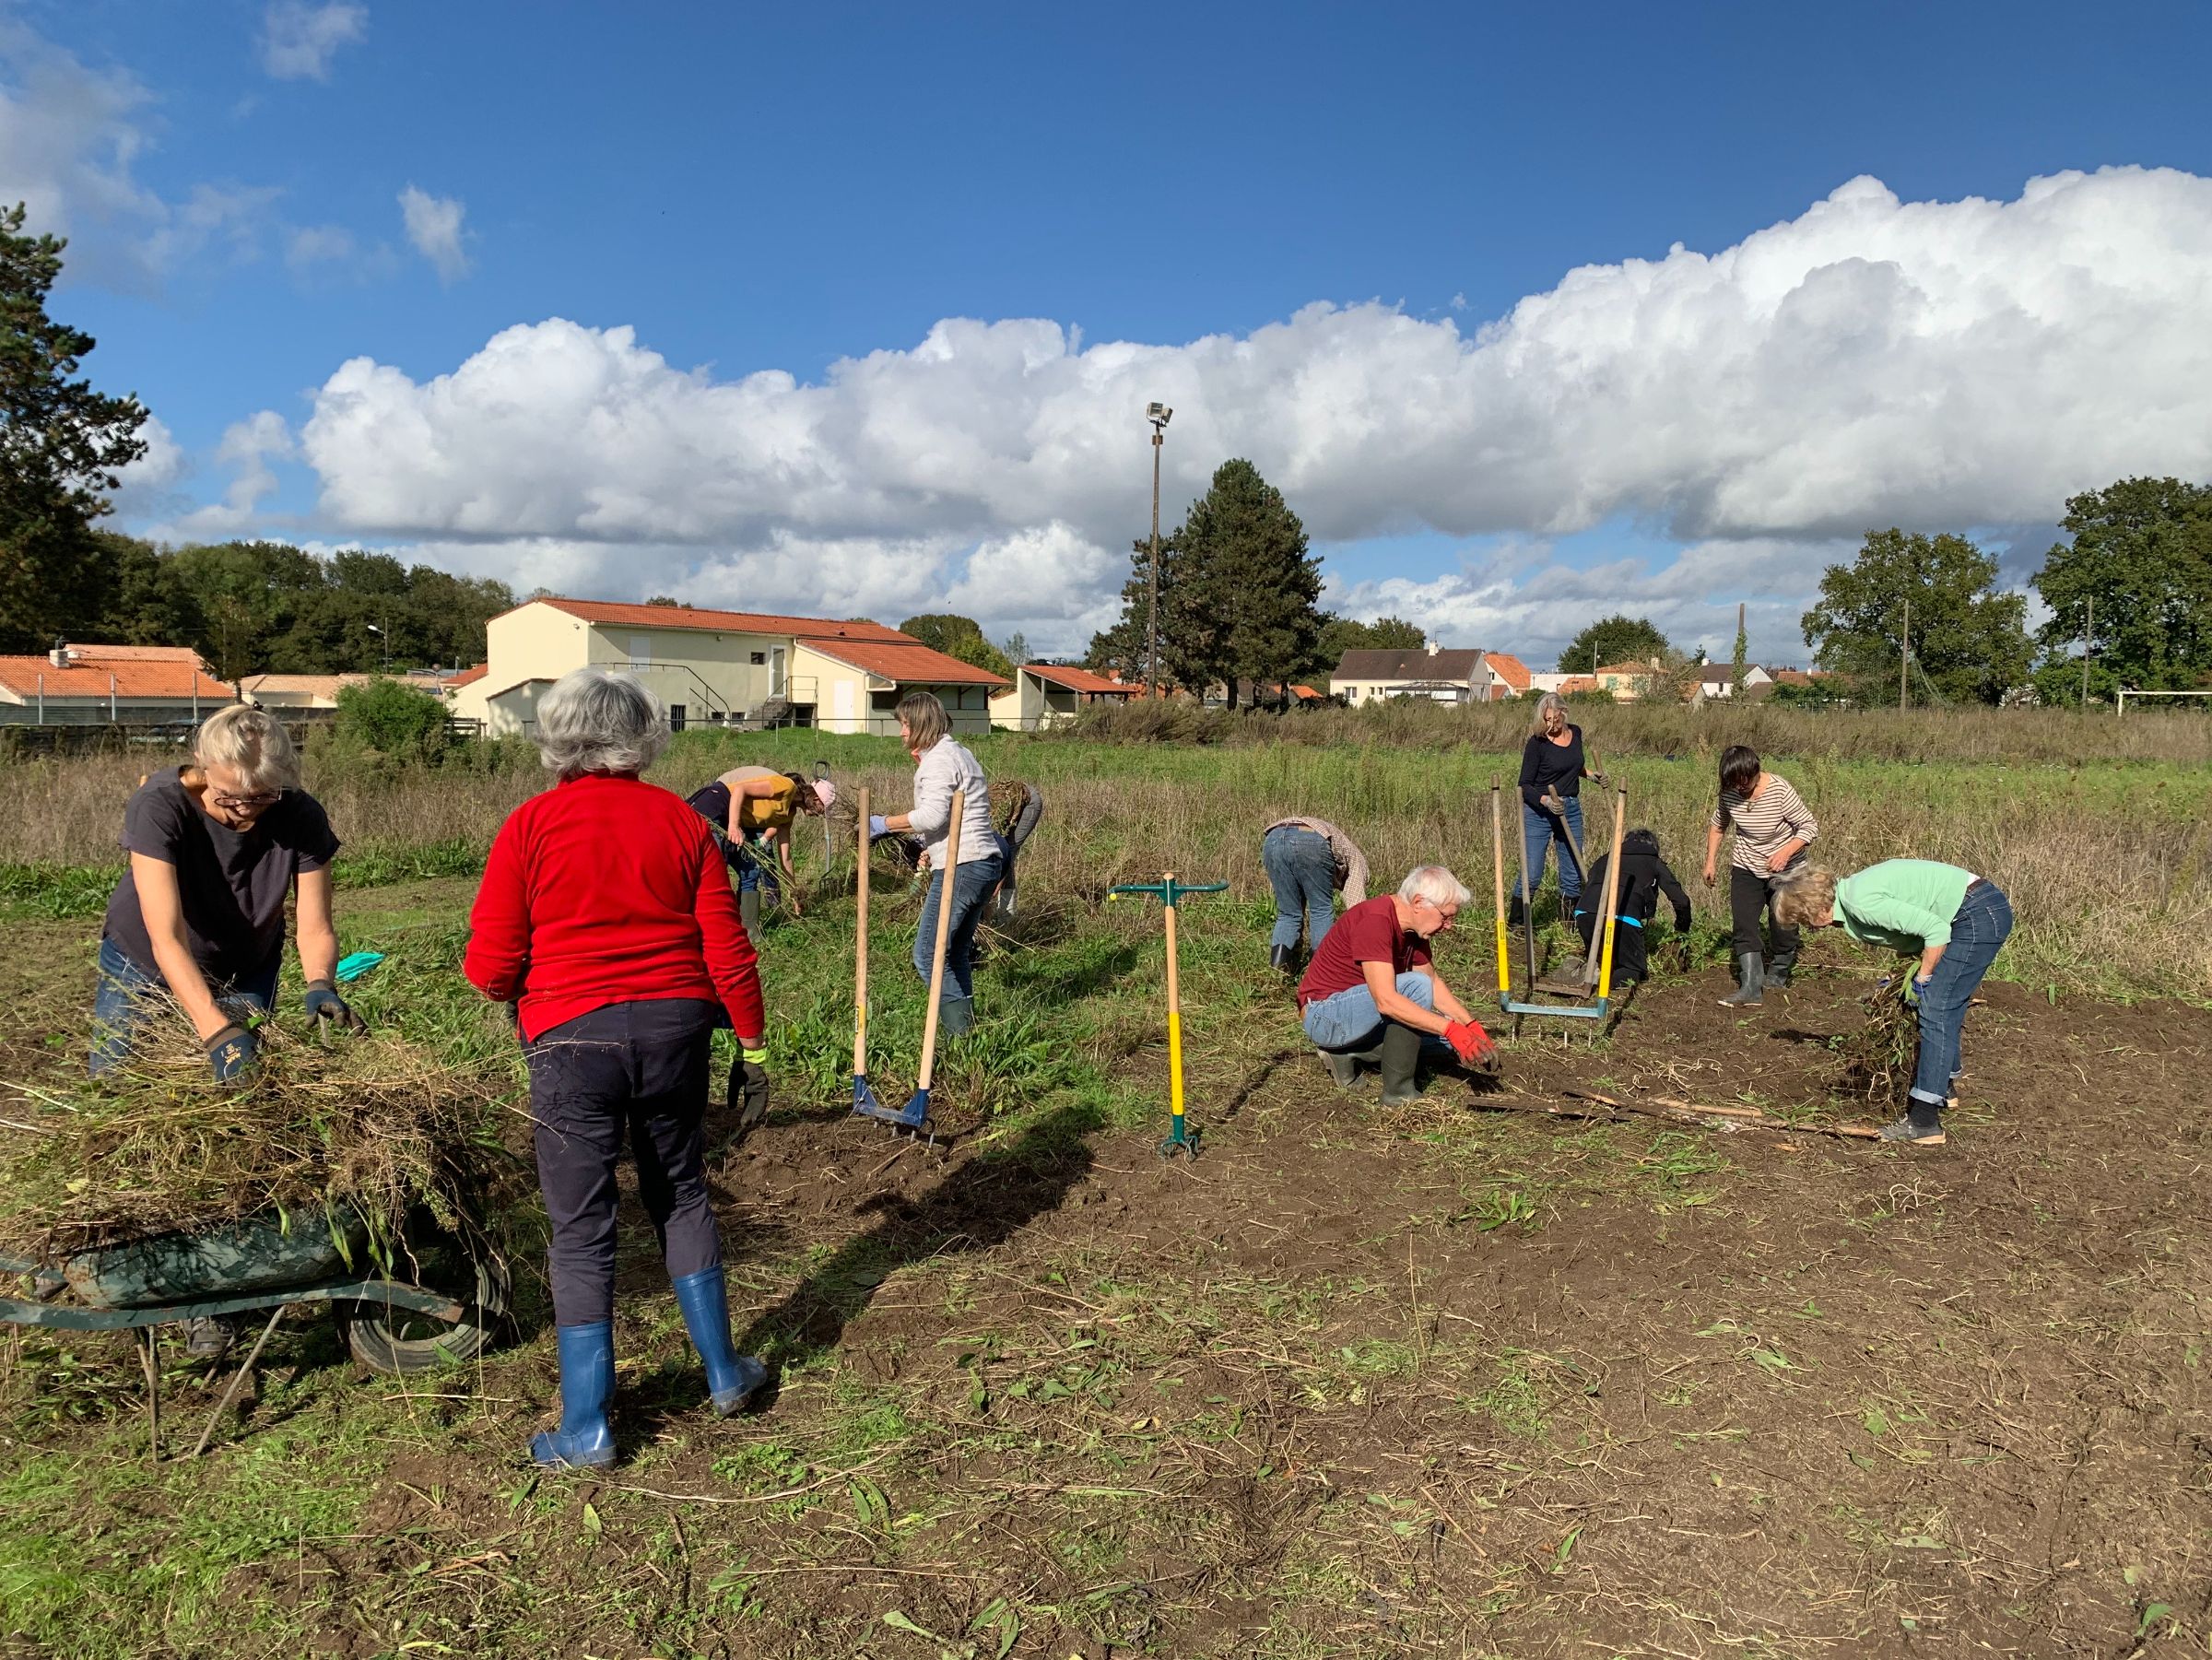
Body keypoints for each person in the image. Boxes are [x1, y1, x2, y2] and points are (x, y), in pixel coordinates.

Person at [465, 667, 772, 1468]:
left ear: (556, 738)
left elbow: (492, 965)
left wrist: (521, 983)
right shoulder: (681, 822)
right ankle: (725, 1371)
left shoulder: (530, 825)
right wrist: (754, 1046)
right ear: (643, 736)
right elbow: (728, 948)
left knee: (581, 1226)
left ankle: (589, 1424)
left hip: (572, 1040)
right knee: (681, 1191)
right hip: (678, 1030)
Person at [91, 705, 364, 1358]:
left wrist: (321, 983)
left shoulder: (298, 814)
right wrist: (215, 1032)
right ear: (201, 768)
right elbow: (165, 935)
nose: (246, 812)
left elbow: (314, 923)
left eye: (262, 797)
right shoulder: (160, 806)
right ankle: (130, 1254)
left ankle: (218, 1290)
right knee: (127, 1108)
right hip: (149, 964)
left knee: (234, 1117)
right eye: (231, 798)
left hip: (246, 961)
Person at [1772, 862, 2013, 1147]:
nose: (1809, 928)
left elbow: (1935, 931)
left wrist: (1922, 979)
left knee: (1936, 1008)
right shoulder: (1853, 902)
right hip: (1975, 910)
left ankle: (1924, 1122)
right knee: (1946, 1004)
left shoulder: (1860, 901)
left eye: (1802, 920)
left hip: (1976, 913)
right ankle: (1944, 1088)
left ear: (1811, 907)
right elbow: (1916, 933)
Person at [1296, 866, 1497, 1104]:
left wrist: (1471, 1026)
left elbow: (1433, 981)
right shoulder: (1376, 920)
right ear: (1419, 902)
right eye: (1446, 917)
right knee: (1417, 989)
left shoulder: (1414, 931)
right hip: (1325, 1016)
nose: (1449, 925)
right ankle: (1397, 1094)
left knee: (1446, 1044)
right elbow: (1387, 1000)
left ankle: (1346, 1054)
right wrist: (1451, 1028)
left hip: (1357, 1017)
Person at [866, 692, 1002, 1037]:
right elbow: (948, 817)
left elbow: (932, 815)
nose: (900, 732)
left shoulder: (940, 760)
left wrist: (883, 823)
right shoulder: (958, 752)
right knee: (955, 953)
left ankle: (960, 1036)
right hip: (981, 862)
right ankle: (968, 1036)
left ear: (921, 726)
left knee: (927, 954)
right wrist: (929, 847)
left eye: (905, 725)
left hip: (964, 865)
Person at [1702, 745, 1820, 1006]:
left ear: (1756, 771)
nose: (1741, 787)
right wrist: (1710, 861)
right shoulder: (1729, 793)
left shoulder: (1779, 789)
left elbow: (1809, 826)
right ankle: (1751, 987)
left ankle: (1778, 972)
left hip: (1786, 867)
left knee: (1782, 922)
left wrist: (1786, 852)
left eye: (1746, 781)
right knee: (1744, 923)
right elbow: (1718, 825)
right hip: (1746, 865)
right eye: (1735, 782)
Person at [684, 765, 825, 933]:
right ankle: (702, 928)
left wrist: (794, 892)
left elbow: (785, 857)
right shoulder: (786, 786)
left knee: (750, 870)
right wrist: (734, 826)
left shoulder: (789, 814)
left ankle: (746, 932)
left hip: (730, 816)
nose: (822, 814)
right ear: (816, 799)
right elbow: (740, 789)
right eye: (823, 807)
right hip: (716, 805)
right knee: (713, 869)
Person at [1515, 693, 1605, 924]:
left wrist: (1594, 776)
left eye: (1555, 719)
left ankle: (1568, 925)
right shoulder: (1537, 743)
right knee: (1532, 874)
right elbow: (1524, 785)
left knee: (1573, 872)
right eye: (1546, 720)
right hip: (1539, 812)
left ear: (1563, 713)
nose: (1550, 725)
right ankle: (1517, 924)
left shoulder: (1576, 734)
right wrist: (1545, 801)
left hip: (1570, 809)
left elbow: (1574, 766)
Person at [1573, 828, 1692, 985]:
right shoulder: (1653, 862)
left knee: (1605, 959)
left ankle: (1583, 970)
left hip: (1584, 913)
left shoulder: (1605, 859)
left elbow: (1590, 884)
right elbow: (1681, 901)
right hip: (1623, 917)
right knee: (1633, 971)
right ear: (1654, 847)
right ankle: (1603, 982)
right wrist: (1681, 930)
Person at [1261, 817, 1370, 975]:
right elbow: (1358, 911)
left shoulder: (1346, 853)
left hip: (1273, 840)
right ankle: (1321, 973)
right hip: (1311, 840)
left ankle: (1277, 975)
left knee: (1288, 913)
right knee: (1321, 909)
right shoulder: (1358, 866)